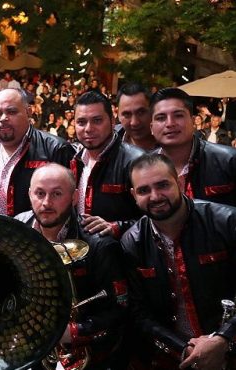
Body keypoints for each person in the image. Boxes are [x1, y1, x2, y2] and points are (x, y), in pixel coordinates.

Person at [121, 153, 236, 370]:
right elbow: (138, 312)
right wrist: (185, 349)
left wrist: (223, 339)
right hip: (175, 357)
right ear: (134, 195)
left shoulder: (227, 221)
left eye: (162, 185)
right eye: (144, 190)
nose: (155, 196)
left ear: (180, 182)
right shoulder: (132, 241)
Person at [15, 164, 128, 369]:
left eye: (57, 194)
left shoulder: (99, 244)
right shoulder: (16, 231)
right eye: (39, 193)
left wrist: (73, 331)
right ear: (29, 194)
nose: (46, 203)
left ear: (75, 197)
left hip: (89, 355)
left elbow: (119, 310)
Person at [0, 88, 75, 216]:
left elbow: (71, 205)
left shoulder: (56, 149)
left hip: (33, 234)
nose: (3, 118)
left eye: (11, 112)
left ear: (29, 112)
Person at [71, 91, 145, 238]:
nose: (88, 128)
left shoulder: (138, 161)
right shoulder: (73, 158)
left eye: (97, 120)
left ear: (112, 121)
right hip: (79, 252)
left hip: (121, 254)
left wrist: (117, 227)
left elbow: (157, 218)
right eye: (81, 122)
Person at [150, 87, 236, 207]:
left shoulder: (228, 160)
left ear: (193, 121)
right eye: (161, 118)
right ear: (151, 128)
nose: (170, 123)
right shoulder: (142, 167)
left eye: (178, 115)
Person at [117, 82, 158, 151]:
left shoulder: (171, 145)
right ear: (118, 115)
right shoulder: (108, 145)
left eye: (141, 112)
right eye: (127, 114)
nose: (134, 122)